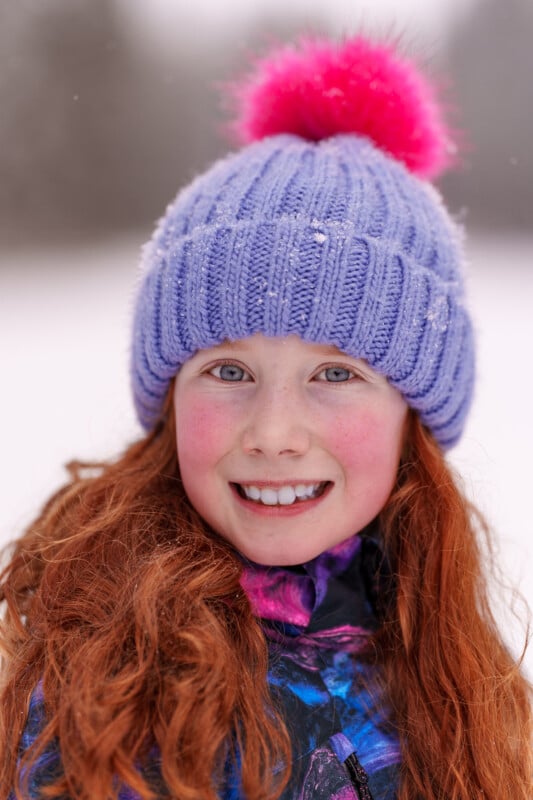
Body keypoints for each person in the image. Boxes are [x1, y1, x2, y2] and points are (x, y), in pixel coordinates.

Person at [1, 35, 531, 800]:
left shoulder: (446, 658)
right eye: (228, 371)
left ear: (411, 415)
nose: (273, 432)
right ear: (170, 400)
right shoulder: (109, 684)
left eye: (334, 374)